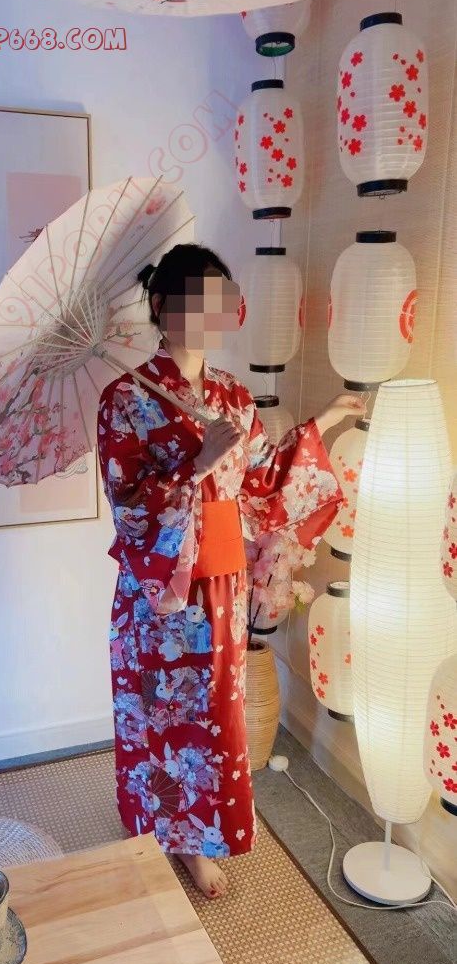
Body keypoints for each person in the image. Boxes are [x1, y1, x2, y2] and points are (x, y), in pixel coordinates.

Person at [96, 242, 365, 900]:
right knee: (158, 711)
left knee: (212, 716)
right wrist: (195, 465)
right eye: (196, 300)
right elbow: (127, 502)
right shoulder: (123, 398)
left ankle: (195, 842)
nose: (211, 313)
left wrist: (325, 422)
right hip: (161, 588)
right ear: (163, 306)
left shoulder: (232, 395)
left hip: (220, 585)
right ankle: (154, 828)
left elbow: (263, 479)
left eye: (219, 300)